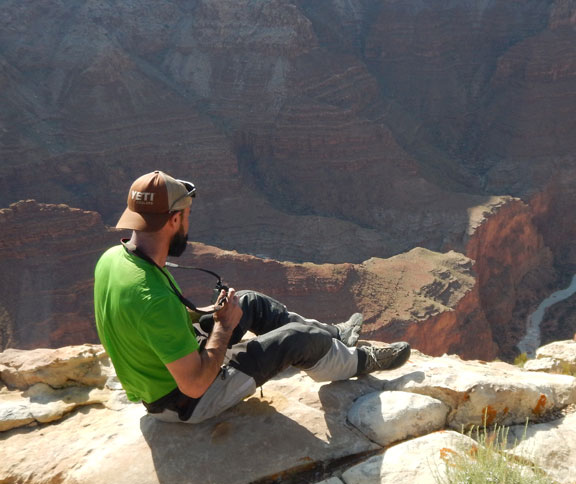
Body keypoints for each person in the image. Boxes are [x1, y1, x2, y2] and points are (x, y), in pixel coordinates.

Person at [94, 170, 411, 424]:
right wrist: (222, 328)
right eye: (186, 217)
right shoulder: (152, 299)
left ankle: (334, 337)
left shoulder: (114, 258)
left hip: (166, 371)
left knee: (249, 302)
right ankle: (361, 361)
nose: (188, 226)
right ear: (174, 220)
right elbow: (195, 383)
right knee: (296, 339)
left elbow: (155, 321)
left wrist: (216, 313)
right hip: (185, 402)